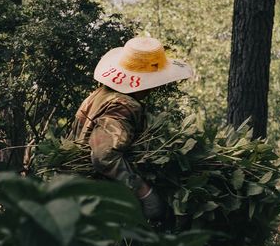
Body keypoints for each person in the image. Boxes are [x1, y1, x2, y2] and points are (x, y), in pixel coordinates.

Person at [69, 36, 193, 223]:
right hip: (96, 205)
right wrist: (144, 192)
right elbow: (103, 156)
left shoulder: (101, 95)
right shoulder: (123, 106)